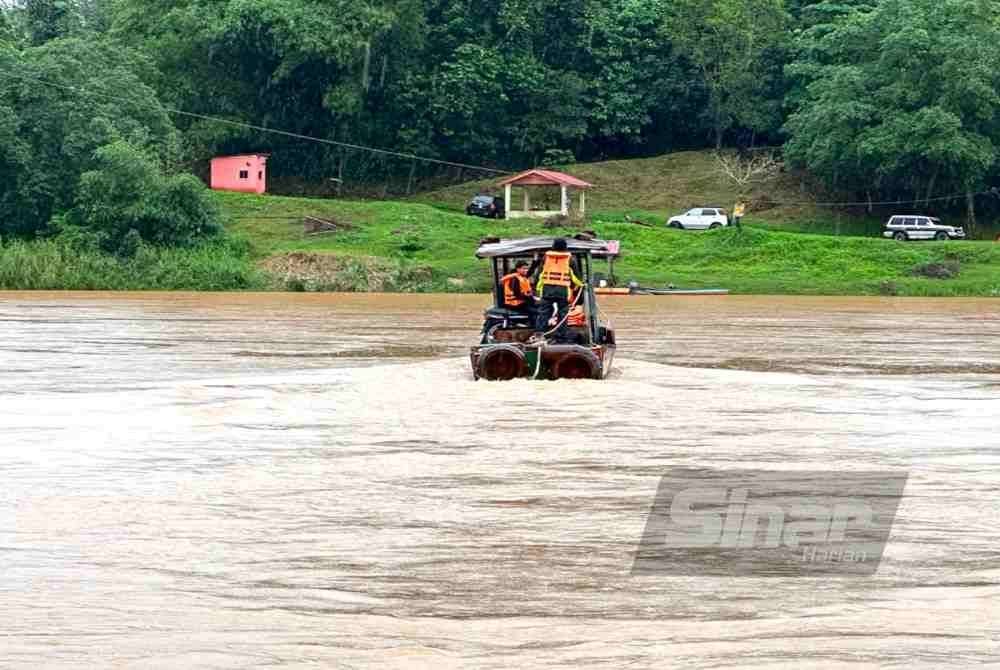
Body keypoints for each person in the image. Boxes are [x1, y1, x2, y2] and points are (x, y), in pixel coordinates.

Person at [534, 238, 584, 342]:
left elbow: (539, 275)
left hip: (547, 290)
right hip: (563, 291)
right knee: (563, 313)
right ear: (565, 247)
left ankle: (539, 335)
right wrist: (579, 286)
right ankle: (561, 336)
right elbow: (576, 278)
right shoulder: (570, 259)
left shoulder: (545, 258)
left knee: (544, 312)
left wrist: (536, 288)